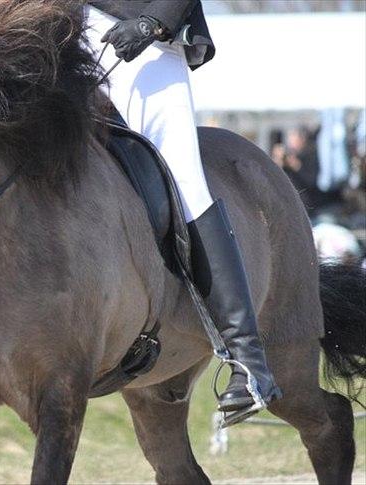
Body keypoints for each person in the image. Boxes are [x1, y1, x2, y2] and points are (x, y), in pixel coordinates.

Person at [85, 1, 280, 420]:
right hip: (53, 38)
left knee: (184, 180)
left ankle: (247, 360)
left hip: (139, 42)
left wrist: (153, 21)